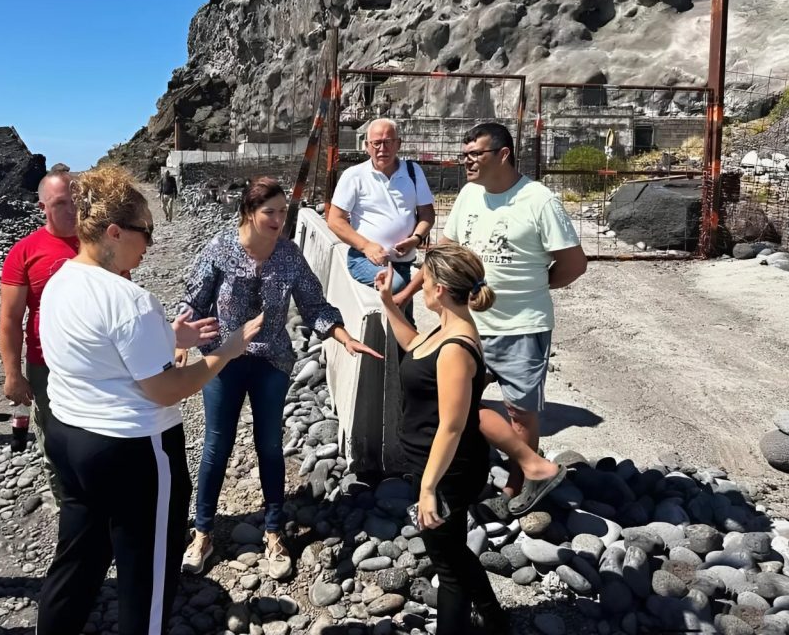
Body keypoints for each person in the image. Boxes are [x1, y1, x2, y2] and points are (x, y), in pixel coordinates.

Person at [35, 165, 257, 635]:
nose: (150, 243)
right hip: (131, 449)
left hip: (69, 437)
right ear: (113, 232)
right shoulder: (129, 299)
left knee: (79, 556)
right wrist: (226, 351)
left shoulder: (59, 281)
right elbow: (167, 388)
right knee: (147, 574)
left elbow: (98, 351)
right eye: (145, 232)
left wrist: (167, 335)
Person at [180, 176, 381, 580]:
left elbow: (313, 302)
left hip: (271, 361)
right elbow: (194, 298)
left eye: (283, 211)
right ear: (248, 213)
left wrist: (343, 337)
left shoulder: (289, 254)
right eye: (269, 212)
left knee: (270, 447)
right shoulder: (220, 249)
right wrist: (179, 340)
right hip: (224, 359)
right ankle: (202, 533)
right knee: (216, 446)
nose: (278, 219)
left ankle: (273, 533)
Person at [399, 122, 585, 513]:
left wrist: (532, 287)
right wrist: (405, 293)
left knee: (520, 411)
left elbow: (573, 264)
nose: (466, 162)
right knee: (459, 406)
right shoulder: (469, 194)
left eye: (475, 155)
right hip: (470, 328)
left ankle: (522, 484)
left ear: (503, 155)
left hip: (521, 326)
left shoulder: (538, 200)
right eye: (464, 155)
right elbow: (445, 255)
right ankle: (489, 472)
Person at [376, 245, 510, 635]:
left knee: (447, 566)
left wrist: (430, 488)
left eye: (425, 280)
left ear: (440, 290)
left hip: (448, 470)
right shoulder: (446, 329)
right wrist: (388, 304)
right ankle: (496, 619)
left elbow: (452, 426)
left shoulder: (456, 347)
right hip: (434, 464)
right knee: (450, 551)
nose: (421, 286)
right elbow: (414, 347)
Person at [0, 166, 79, 505]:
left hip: (101, 362)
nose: (73, 209)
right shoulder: (25, 252)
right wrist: (13, 374)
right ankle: (67, 509)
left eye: (77, 201)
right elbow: (10, 318)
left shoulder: (104, 241)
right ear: (42, 207)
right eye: (62, 203)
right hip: (46, 365)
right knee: (55, 440)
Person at [327, 118, 435, 320]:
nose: (381, 148)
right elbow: (335, 219)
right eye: (376, 143)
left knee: (405, 308)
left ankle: (403, 346)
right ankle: (397, 344)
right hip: (364, 258)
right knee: (395, 286)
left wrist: (416, 238)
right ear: (367, 146)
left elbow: (427, 213)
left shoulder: (413, 172)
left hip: (403, 260)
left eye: (388, 142)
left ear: (398, 144)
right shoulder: (354, 175)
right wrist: (366, 246)